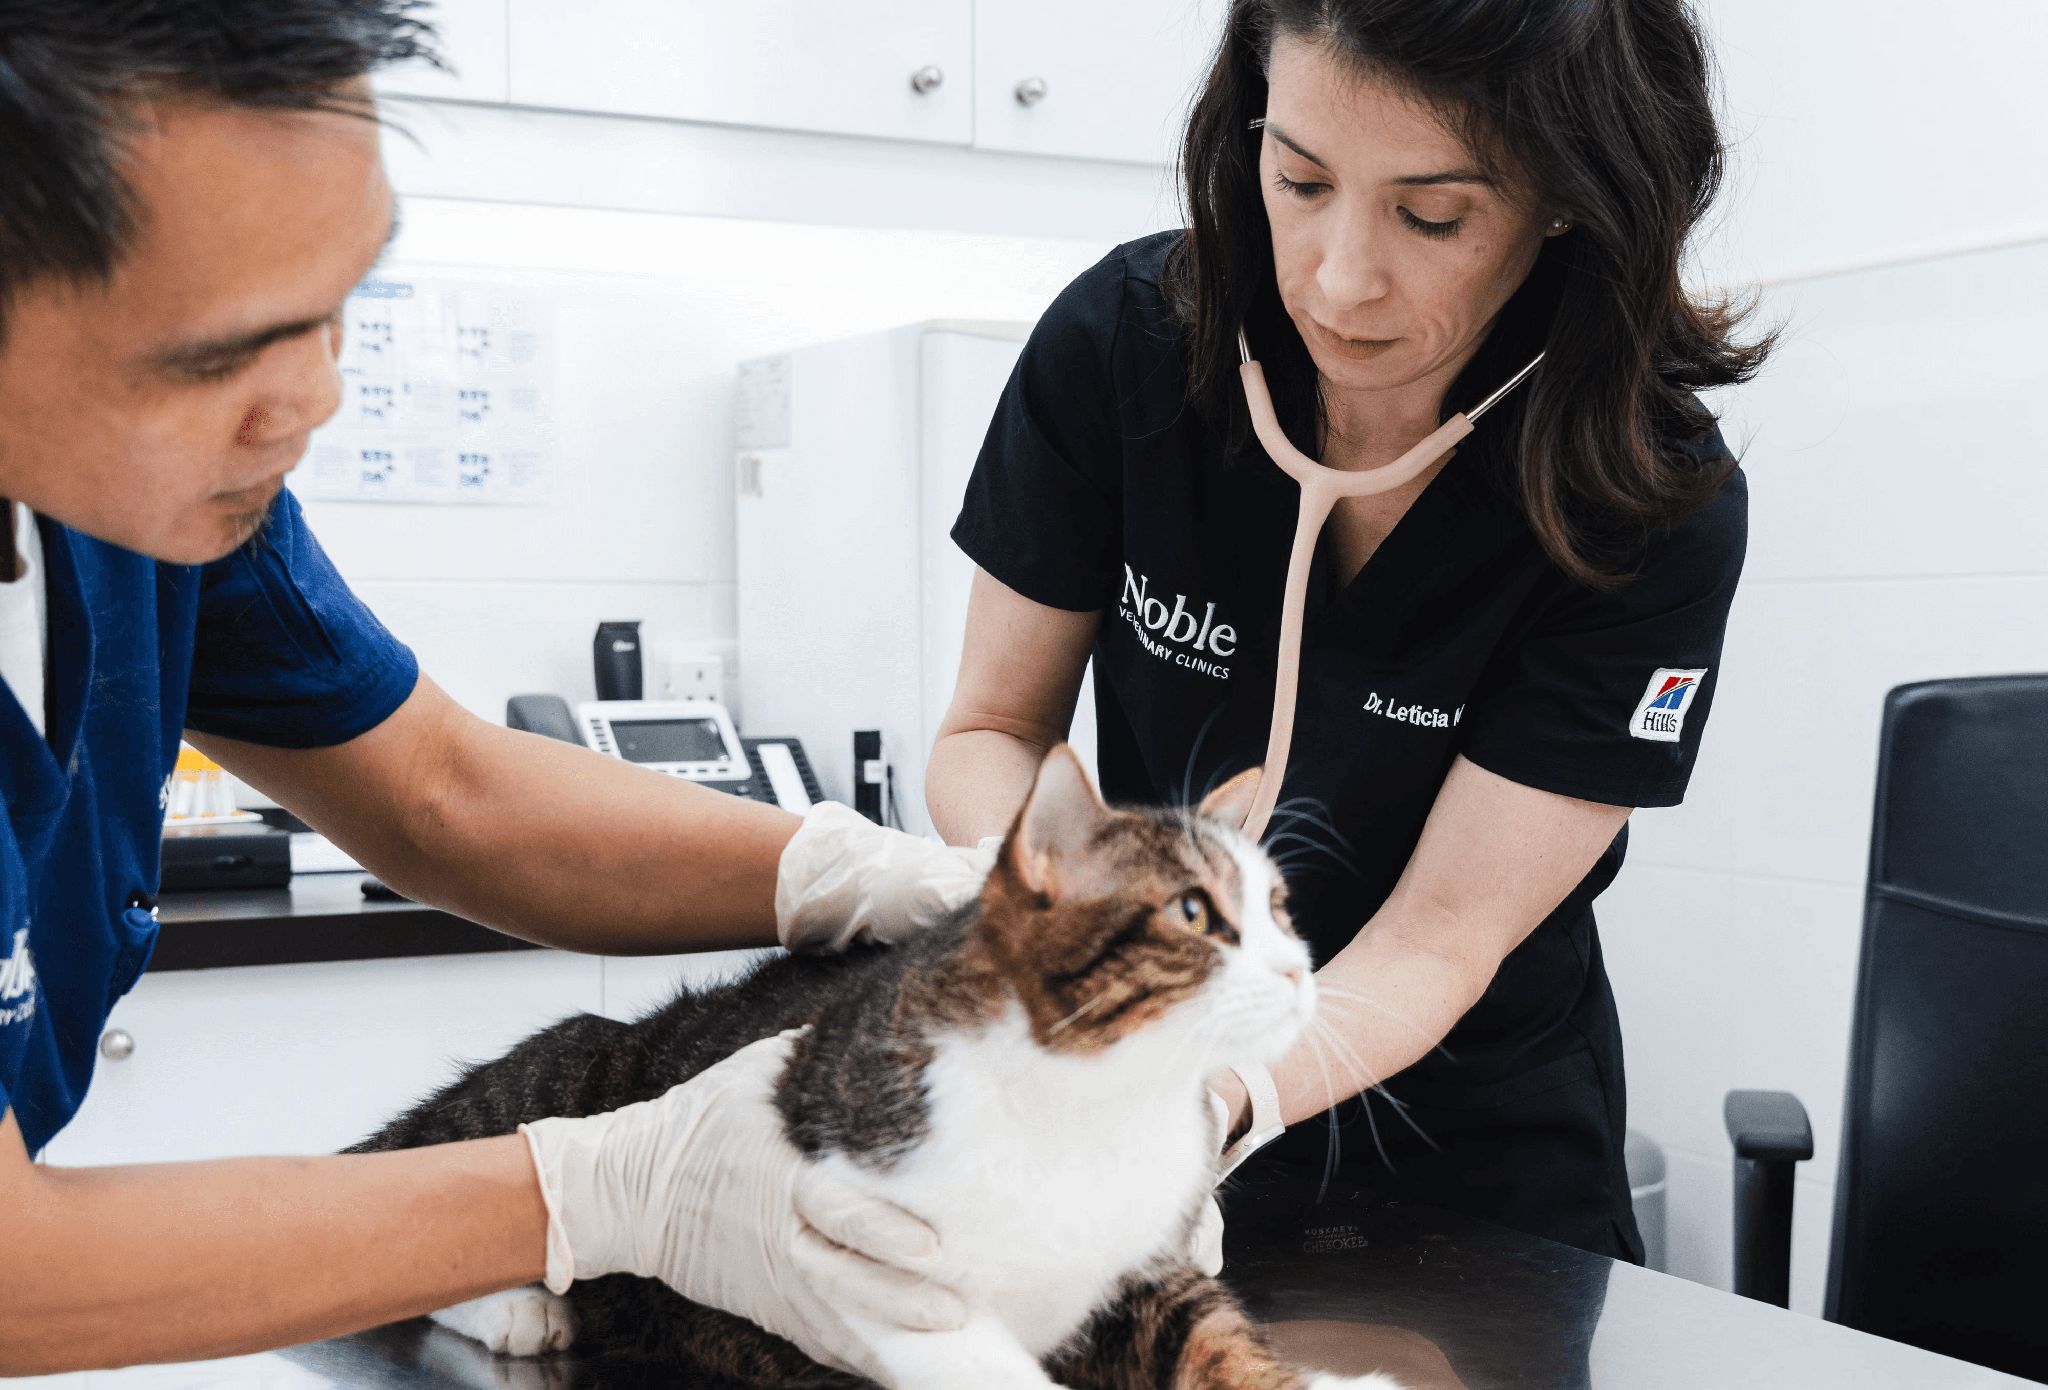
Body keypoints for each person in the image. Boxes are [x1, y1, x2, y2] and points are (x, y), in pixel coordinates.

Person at [0, 4, 979, 1375]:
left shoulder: (141, 502)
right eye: (225, 352)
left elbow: (439, 787)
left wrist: (857, 873)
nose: (320, 394)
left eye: (344, 303)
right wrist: (595, 1190)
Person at [928, 0, 1770, 1264]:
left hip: (1468, 1162)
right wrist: (1088, 921)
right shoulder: (1127, 345)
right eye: (1298, 179)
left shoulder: (1643, 494)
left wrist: (1206, 1098)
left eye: (1431, 213)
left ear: (1563, 196)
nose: (1336, 275)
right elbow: (988, 731)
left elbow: (1442, 936)